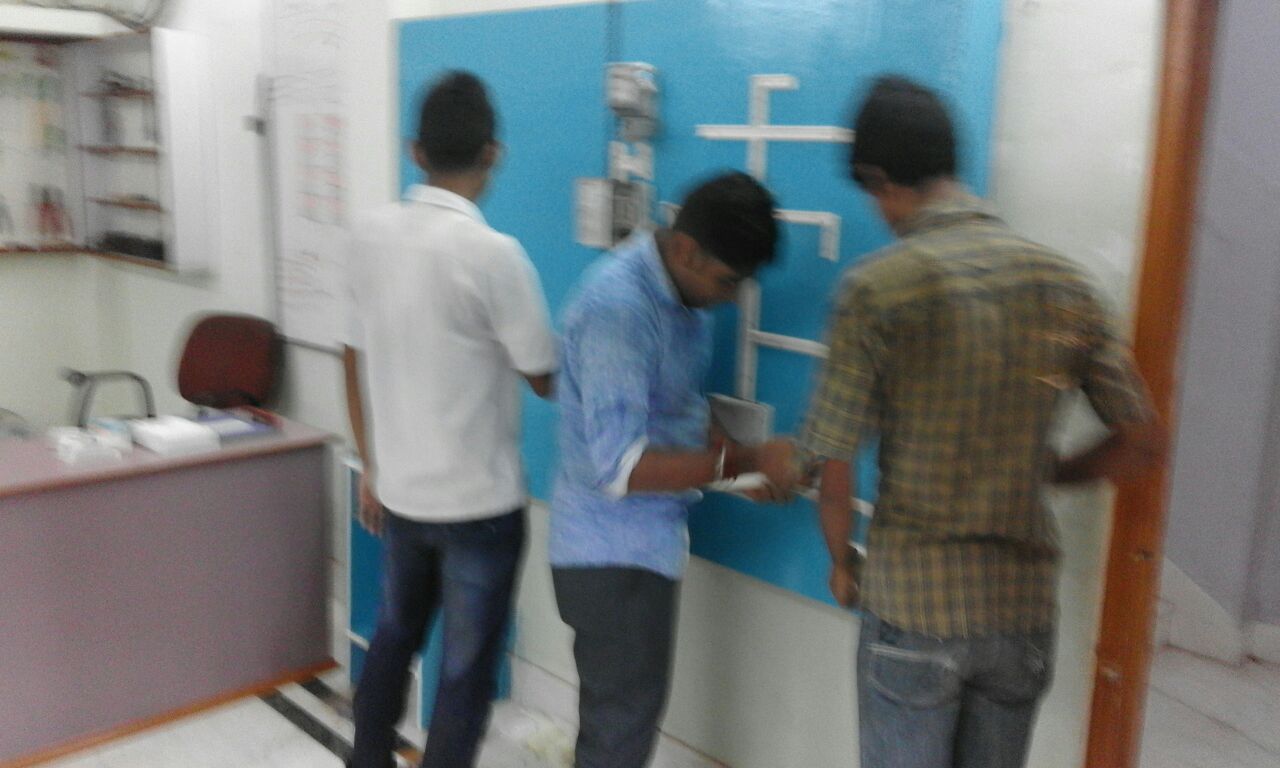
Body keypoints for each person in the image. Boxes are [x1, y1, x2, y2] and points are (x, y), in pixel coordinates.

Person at [792, 76, 1163, 768]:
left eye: (871, 193)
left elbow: (831, 459)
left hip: (913, 609)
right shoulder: (1065, 284)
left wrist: (841, 561)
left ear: (879, 179)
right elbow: (1141, 444)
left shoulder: (876, 290)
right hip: (1020, 615)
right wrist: (1053, 471)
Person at [341, 71, 556, 768]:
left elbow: (351, 353)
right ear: (493, 152)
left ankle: (367, 758)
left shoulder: (368, 234)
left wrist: (370, 464)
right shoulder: (495, 256)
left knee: (393, 638)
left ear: (416, 150)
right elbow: (544, 376)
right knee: (464, 676)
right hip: (479, 509)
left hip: (401, 495)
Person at [549, 171, 793, 768]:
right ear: (685, 250)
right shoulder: (619, 310)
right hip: (611, 557)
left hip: (644, 548)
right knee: (619, 733)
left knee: (623, 723)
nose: (731, 297)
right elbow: (621, 468)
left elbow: (677, 407)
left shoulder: (684, 299)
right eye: (727, 280)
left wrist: (738, 473)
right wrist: (747, 458)